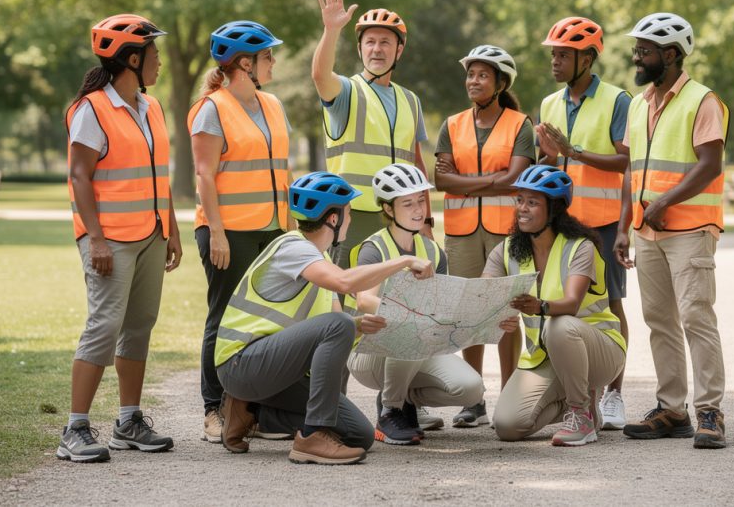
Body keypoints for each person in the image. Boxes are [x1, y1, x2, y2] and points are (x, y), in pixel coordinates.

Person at [214, 172, 434, 465]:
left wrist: (357, 326)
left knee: (360, 435)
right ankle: (312, 436)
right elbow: (344, 284)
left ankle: (250, 413)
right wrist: (404, 261)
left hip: (274, 371)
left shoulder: (321, 260)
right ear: (333, 218)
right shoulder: (292, 247)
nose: (351, 219)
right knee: (340, 324)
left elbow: (333, 324)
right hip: (241, 364)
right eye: (349, 213)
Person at [59, 13, 182, 463]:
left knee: (139, 326)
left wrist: (170, 228)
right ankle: (74, 429)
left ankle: (128, 421)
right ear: (132, 58)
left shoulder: (152, 107)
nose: (160, 61)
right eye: (154, 53)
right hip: (108, 238)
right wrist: (95, 238)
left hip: (150, 233)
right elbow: (79, 175)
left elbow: (158, 172)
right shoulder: (91, 109)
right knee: (104, 327)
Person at [614, 12, 730, 449]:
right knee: (659, 320)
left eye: (643, 50)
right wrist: (628, 223)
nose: (636, 57)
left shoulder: (702, 101)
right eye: (637, 49)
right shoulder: (640, 103)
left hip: (690, 229)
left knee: (696, 316)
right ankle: (672, 409)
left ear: (670, 54)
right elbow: (631, 169)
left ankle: (710, 411)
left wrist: (664, 202)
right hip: (647, 232)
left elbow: (710, 164)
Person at [188, 20, 293, 443]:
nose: (273, 62)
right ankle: (213, 410)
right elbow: (204, 175)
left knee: (268, 319)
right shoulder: (211, 109)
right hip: (228, 231)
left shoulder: (273, 105)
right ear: (244, 64)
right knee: (223, 318)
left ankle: (257, 411)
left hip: (273, 230)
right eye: (268, 56)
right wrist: (216, 233)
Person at [534, 17, 633, 430]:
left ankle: (614, 394)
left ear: (588, 58)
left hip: (605, 223)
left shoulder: (617, 100)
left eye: (563, 55)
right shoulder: (549, 104)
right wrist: (551, 159)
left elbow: (627, 160)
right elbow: (551, 163)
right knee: (567, 306)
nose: (555, 61)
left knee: (610, 305)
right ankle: (578, 395)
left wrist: (574, 151)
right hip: (565, 226)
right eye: (553, 54)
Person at [346, 163, 485, 445]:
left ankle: (402, 399)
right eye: (407, 203)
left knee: (471, 389)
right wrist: (410, 313)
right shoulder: (374, 248)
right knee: (411, 327)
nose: (418, 209)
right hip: (369, 352)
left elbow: (443, 306)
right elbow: (364, 299)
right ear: (388, 209)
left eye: (421, 200)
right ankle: (389, 412)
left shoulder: (433, 250)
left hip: (418, 346)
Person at [434, 45, 535, 428]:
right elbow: (441, 180)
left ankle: (509, 395)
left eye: (482, 76)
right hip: (461, 233)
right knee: (469, 312)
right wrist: (492, 181)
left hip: (506, 232)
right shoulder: (452, 124)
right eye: (470, 74)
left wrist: (467, 183)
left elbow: (516, 178)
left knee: (507, 311)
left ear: (500, 83)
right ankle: (473, 398)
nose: (473, 81)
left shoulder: (519, 124)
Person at [489, 165, 626, 446]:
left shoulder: (580, 246)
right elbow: (483, 293)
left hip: (598, 349)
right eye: (520, 200)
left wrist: (539, 306)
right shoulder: (506, 250)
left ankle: (581, 416)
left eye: (532, 202)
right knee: (508, 426)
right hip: (545, 356)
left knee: (560, 324)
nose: (522, 209)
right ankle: (579, 403)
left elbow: (572, 303)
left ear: (554, 209)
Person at [311, 0, 433, 269]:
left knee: (396, 297)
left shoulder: (411, 100)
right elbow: (319, 75)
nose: (377, 49)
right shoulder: (345, 92)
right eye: (370, 42)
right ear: (360, 48)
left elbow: (416, 163)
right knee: (347, 295)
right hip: (354, 214)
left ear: (399, 50)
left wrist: (425, 218)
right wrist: (331, 30)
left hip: (400, 216)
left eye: (385, 42)